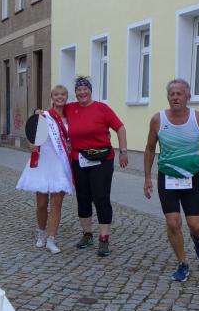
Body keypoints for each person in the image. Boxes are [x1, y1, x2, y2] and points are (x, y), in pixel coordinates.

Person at [143, 78, 199, 282]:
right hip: (167, 177)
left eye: (179, 94)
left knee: (196, 225)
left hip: (191, 178)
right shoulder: (158, 120)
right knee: (173, 222)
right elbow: (149, 149)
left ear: (188, 96)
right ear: (168, 97)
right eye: (172, 94)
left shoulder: (198, 118)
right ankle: (183, 263)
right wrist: (147, 178)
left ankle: (197, 239)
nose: (175, 97)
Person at [65, 76, 128, 257]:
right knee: (83, 197)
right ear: (75, 93)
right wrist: (39, 112)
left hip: (102, 159)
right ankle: (87, 235)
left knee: (101, 198)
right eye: (79, 90)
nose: (82, 92)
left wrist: (123, 151)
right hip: (79, 159)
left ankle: (104, 238)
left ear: (90, 91)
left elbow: (120, 128)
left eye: (85, 89)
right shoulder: (70, 108)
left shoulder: (102, 108)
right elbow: (54, 113)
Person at [16, 85, 74, 253]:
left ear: (67, 97)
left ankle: (51, 239)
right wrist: (32, 145)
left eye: (63, 94)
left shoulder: (71, 118)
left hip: (60, 164)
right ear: (52, 97)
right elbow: (33, 136)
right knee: (41, 204)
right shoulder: (44, 116)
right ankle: (41, 233)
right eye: (56, 94)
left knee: (57, 204)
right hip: (43, 162)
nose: (60, 97)